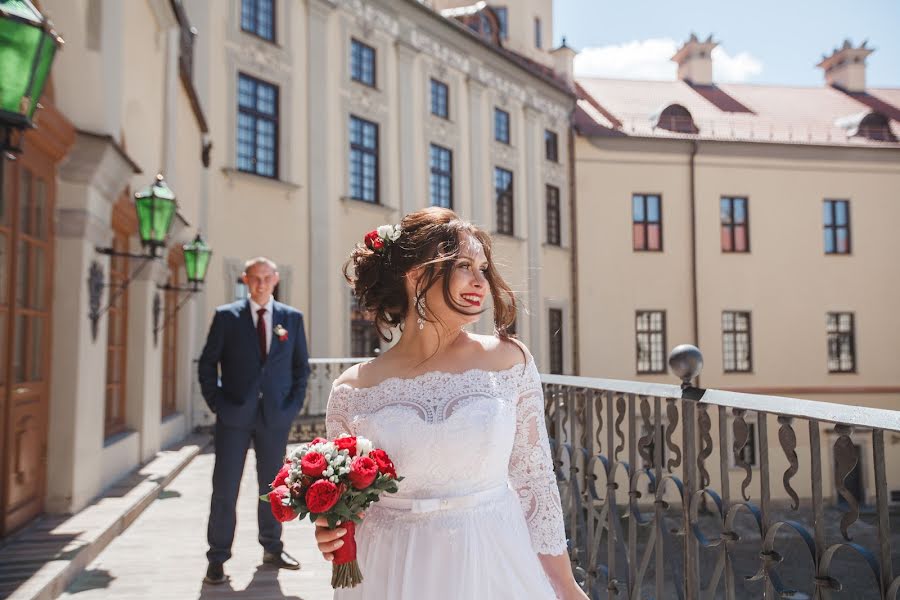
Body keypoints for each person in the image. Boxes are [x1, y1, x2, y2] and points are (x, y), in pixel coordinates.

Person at [316, 208, 589, 599]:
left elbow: (534, 482)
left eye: (483, 267)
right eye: (464, 265)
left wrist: (566, 585)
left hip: (493, 558)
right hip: (391, 570)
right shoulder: (352, 388)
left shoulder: (509, 360)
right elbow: (349, 504)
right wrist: (330, 527)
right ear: (416, 275)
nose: (481, 280)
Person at [198, 257, 311, 585]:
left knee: (273, 488)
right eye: (255, 278)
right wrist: (219, 404)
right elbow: (207, 365)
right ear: (245, 280)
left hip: (275, 418)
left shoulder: (292, 318)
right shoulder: (226, 317)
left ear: (275, 279)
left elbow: (300, 369)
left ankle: (273, 547)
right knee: (225, 488)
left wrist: (290, 408)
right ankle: (217, 557)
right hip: (233, 416)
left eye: (266, 278)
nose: (261, 284)